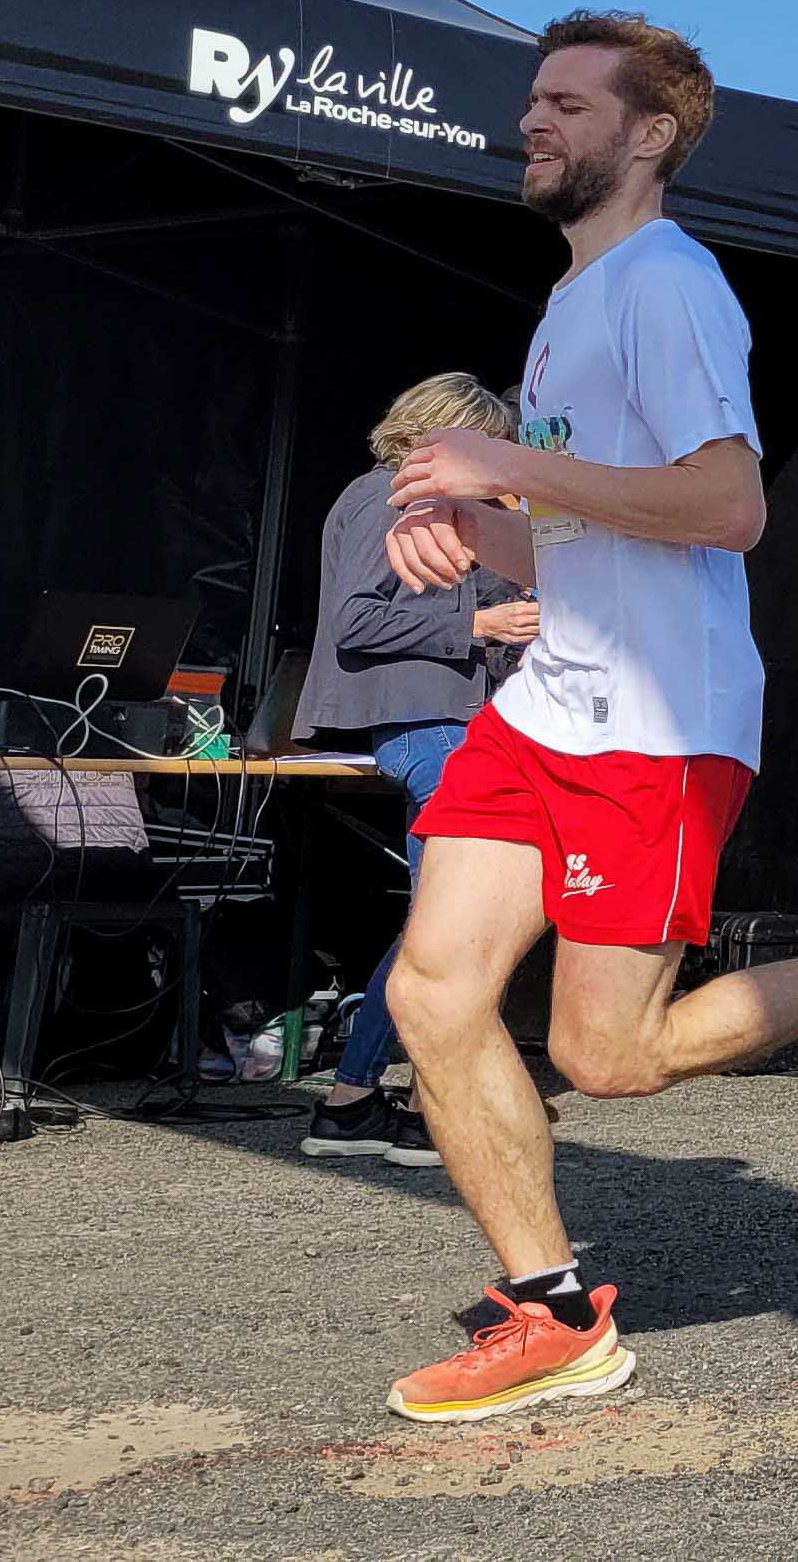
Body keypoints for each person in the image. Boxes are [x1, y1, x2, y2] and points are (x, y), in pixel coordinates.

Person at [371, 12, 798, 1422]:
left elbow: (729, 510)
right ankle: (550, 1313)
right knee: (433, 992)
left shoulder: (670, 286)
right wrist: (464, 522)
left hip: (657, 726)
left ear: (650, 134)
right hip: (551, 709)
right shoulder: (570, 307)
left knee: (606, 1060)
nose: (533, 122)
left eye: (565, 103)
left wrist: (492, 461)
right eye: (532, 101)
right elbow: (580, 547)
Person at [296, 371, 536, 1166]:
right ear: (448, 436)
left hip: (449, 720)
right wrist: (481, 622)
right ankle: (407, 1094)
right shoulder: (382, 497)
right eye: (488, 444)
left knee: (443, 919)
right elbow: (355, 618)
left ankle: (354, 1100)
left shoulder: (428, 503)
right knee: (452, 920)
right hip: (416, 723)